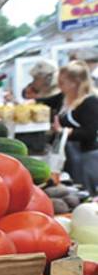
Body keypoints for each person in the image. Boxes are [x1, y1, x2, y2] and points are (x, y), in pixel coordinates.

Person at [56, 60, 98, 192]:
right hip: (73, 157)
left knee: (86, 193)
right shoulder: (66, 100)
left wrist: (66, 132)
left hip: (87, 157)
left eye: (62, 82)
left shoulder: (90, 102)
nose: (59, 85)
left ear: (75, 83)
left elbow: (90, 133)